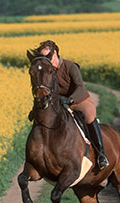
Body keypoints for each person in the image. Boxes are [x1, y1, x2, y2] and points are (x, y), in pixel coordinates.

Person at [30, 40, 109, 170]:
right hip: (59, 103)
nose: (45, 59)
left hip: (79, 100)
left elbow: (80, 87)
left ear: (54, 53)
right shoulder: (46, 69)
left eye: (47, 56)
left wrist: (70, 100)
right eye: (43, 57)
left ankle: (101, 154)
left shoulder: (70, 66)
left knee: (89, 116)